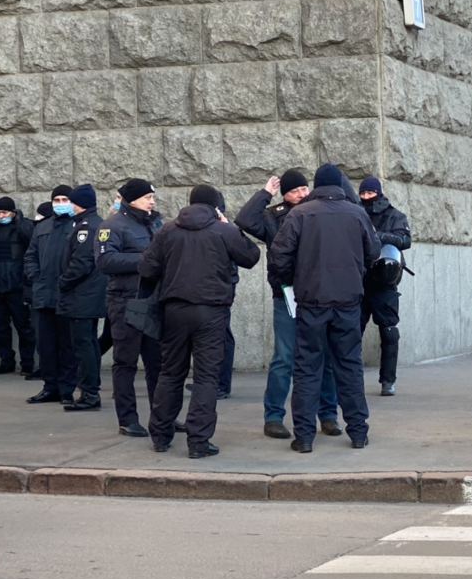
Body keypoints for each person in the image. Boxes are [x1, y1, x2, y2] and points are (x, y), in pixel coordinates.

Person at [142, 184, 260, 458]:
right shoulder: (223, 230)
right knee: (206, 377)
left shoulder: (168, 230)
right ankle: (198, 442)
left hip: (174, 311)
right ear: (216, 206)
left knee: (170, 373)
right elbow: (251, 257)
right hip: (211, 311)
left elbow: (147, 267)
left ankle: (160, 436)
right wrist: (230, 225)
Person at [269, 164, 380, 453]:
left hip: (311, 302)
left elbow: (279, 256)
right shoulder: (357, 213)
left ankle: (304, 437)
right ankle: (358, 432)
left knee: (307, 368)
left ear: (317, 186)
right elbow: (374, 252)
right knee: (349, 366)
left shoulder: (300, 214)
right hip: (347, 302)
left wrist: (295, 278)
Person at [236, 169, 334, 439]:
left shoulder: (320, 211)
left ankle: (327, 414)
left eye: (304, 189)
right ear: (285, 195)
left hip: (318, 293)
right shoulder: (272, 216)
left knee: (323, 354)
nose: (301, 194)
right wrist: (265, 193)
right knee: (284, 357)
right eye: (294, 191)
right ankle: (274, 416)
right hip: (286, 295)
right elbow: (244, 220)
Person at [96, 178, 163, 436]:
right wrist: (146, 260)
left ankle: (162, 416)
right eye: (148, 197)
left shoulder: (155, 223)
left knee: (158, 362)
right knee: (125, 362)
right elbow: (105, 260)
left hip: (152, 300)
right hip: (125, 301)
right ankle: (127, 419)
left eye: (152, 197)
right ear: (132, 199)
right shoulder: (111, 226)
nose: (152, 201)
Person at [358, 176, 412, 396]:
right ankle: (351, 378)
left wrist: (381, 237)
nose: (366, 198)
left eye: (370, 194)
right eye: (363, 194)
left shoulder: (394, 215)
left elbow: (405, 240)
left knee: (389, 332)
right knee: (351, 332)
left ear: (378, 193)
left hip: (385, 280)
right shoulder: (356, 213)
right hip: (360, 280)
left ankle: (388, 380)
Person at [25, 186, 78, 404]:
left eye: (65, 198)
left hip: (67, 295)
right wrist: (35, 276)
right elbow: (30, 255)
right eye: (57, 199)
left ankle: (67, 390)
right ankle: (50, 387)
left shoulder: (77, 226)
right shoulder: (42, 227)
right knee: (45, 345)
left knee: (67, 345)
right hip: (43, 294)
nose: (60, 202)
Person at [59, 184, 108, 410]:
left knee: (83, 345)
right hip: (89, 295)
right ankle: (90, 391)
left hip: (82, 296)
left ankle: (89, 393)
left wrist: (63, 281)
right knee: (89, 344)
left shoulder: (86, 228)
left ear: (78, 203)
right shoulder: (93, 224)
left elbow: (81, 263)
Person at [0, 196, 35, 376]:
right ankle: (6, 362)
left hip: (17, 287)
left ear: (13, 213)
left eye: (4, 212)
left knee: (24, 328)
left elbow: (30, 237)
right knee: (1, 328)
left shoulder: (22, 226)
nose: (0, 216)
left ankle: (27, 363)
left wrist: (19, 221)